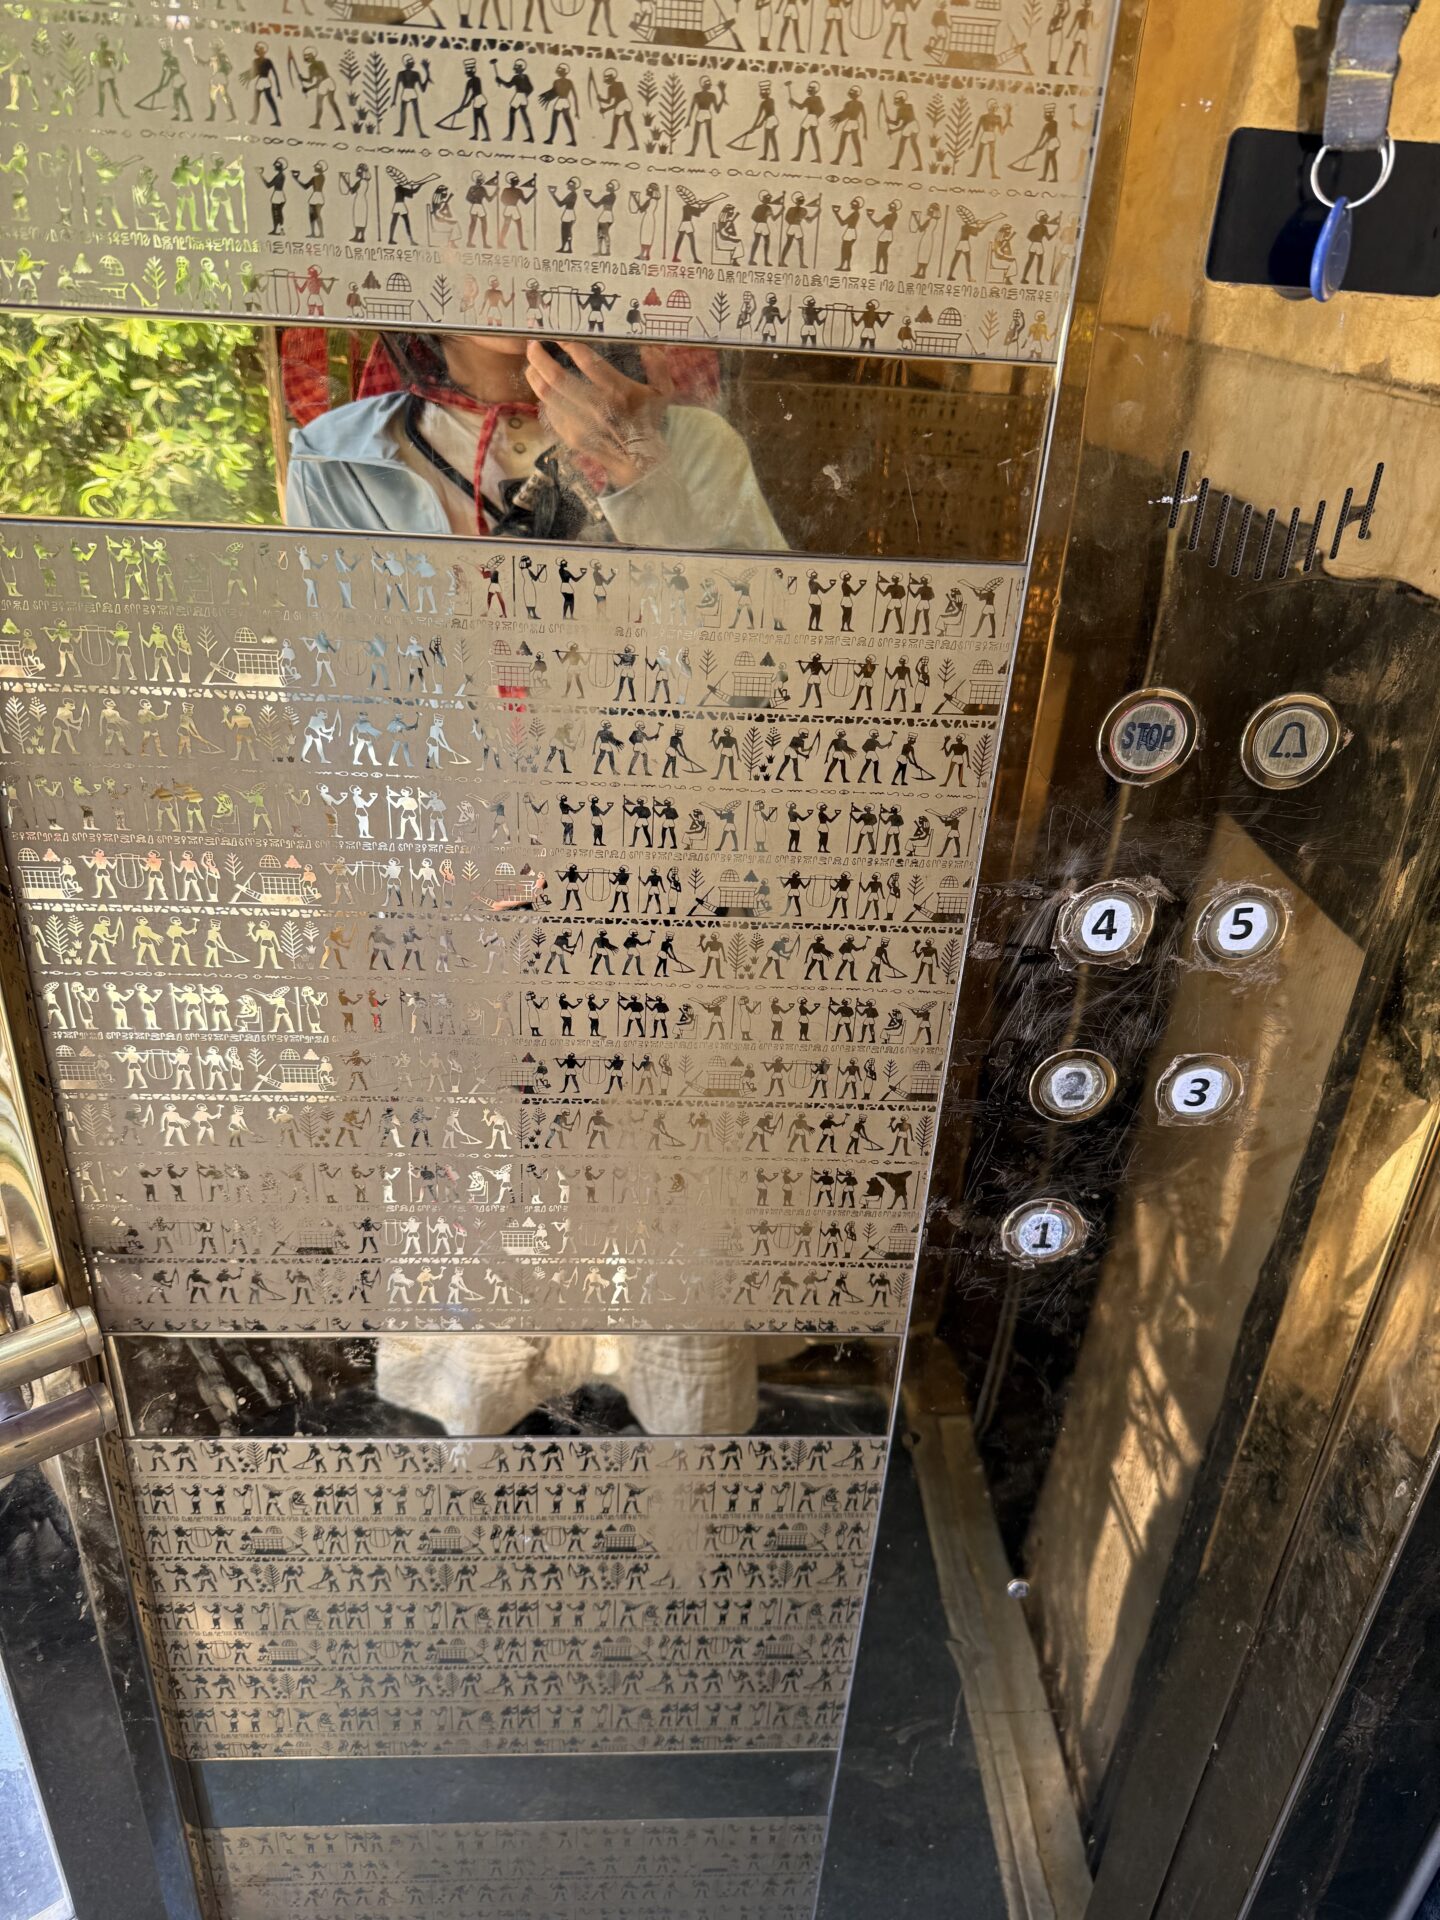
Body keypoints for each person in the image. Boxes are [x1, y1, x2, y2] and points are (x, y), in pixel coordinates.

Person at [286, 330, 783, 550]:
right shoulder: (337, 461)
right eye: (474, 216)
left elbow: (749, 689)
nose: (508, 238)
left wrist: (645, 473)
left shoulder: (697, 444)